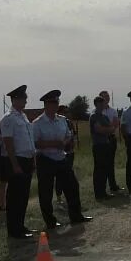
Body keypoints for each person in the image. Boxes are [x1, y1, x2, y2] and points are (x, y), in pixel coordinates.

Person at [32, 90, 92, 227]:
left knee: (72, 186)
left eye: (57, 102)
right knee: (46, 192)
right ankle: (50, 221)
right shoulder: (38, 123)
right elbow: (35, 142)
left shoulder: (62, 120)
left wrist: (65, 143)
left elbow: (68, 135)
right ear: (46, 105)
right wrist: (53, 143)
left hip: (61, 157)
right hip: (45, 159)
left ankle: (76, 215)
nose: (55, 105)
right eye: (52, 103)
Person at [0, 85, 36, 238]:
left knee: (23, 196)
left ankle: (21, 226)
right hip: (16, 160)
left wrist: (33, 160)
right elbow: (8, 143)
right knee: (15, 197)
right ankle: (14, 230)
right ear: (15, 99)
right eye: (23, 98)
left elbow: (29, 139)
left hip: (27, 159)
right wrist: (15, 165)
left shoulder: (23, 116)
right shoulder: (8, 118)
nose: (26, 100)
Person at [90, 96, 116, 200]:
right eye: (99, 103)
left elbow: (112, 128)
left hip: (106, 144)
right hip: (98, 145)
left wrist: (108, 129)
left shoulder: (104, 117)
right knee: (99, 170)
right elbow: (99, 129)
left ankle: (103, 192)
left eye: (102, 103)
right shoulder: (94, 116)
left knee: (105, 169)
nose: (101, 105)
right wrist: (108, 129)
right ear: (95, 104)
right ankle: (98, 193)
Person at [99, 91, 122, 193]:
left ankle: (113, 185)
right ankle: (102, 188)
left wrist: (108, 128)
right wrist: (108, 127)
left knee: (111, 163)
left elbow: (116, 123)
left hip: (112, 138)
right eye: (104, 97)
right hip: (102, 140)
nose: (107, 98)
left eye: (107, 96)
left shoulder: (113, 111)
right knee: (103, 164)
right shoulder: (97, 112)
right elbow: (100, 127)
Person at [55, 104, 77, 203]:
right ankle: (59, 196)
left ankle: (68, 194)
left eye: (67, 112)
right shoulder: (56, 122)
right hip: (61, 153)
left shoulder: (68, 122)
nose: (67, 114)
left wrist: (73, 143)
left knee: (69, 174)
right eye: (65, 112)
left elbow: (73, 134)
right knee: (60, 176)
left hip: (70, 151)